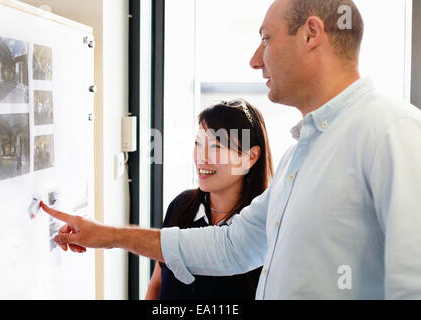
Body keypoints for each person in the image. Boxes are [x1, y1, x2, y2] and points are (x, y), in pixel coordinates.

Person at [40, 0, 421, 299]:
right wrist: (104, 235)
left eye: (266, 39)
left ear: (311, 34)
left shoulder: (391, 130)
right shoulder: (301, 154)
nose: (256, 59)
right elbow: (232, 246)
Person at [145, 100, 274, 300]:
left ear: (250, 156)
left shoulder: (262, 227)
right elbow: (157, 284)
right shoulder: (181, 206)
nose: (201, 157)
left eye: (215, 146)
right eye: (198, 144)